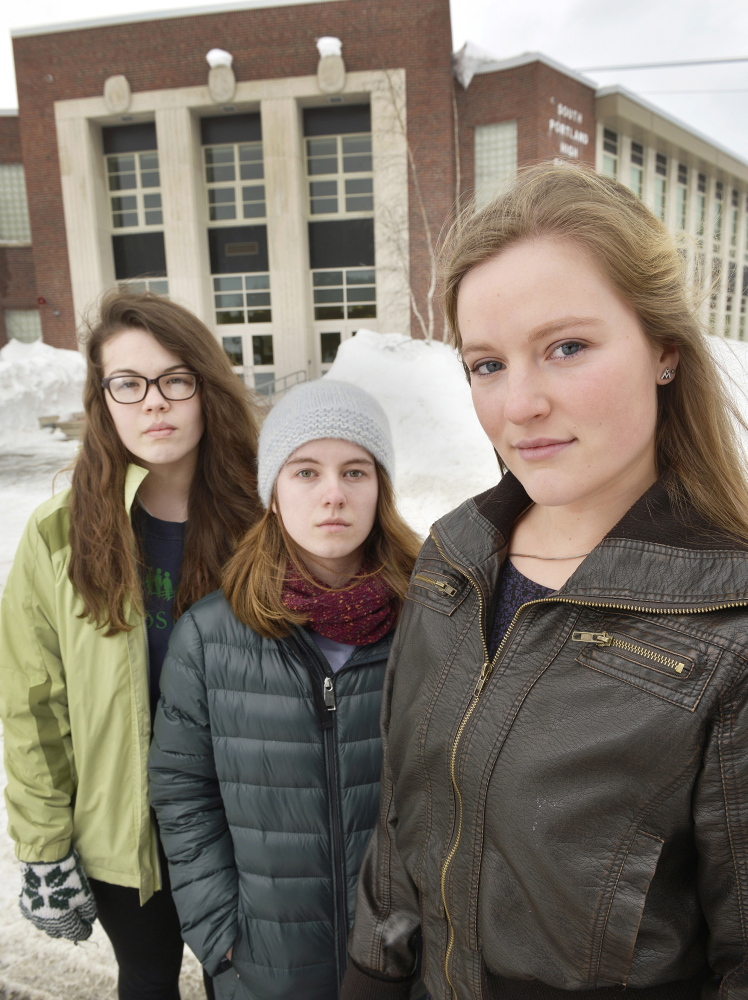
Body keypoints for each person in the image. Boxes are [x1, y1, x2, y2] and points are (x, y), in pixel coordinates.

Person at [340, 162, 748, 1000]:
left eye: (566, 347)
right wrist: (371, 974)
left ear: (663, 348)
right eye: (486, 364)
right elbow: (402, 824)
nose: (518, 405)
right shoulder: (455, 556)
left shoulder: (728, 625)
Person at [0, 291, 261, 1000]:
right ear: (103, 398)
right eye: (129, 383)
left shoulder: (267, 516)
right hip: (122, 829)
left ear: (207, 388)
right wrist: (45, 847)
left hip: (245, 826)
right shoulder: (59, 536)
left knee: (241, 981)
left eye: (177, 379)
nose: (155, 403)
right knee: (146, 979)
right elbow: (31, 706)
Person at [148, 379, 423, 1000]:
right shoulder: (210, 636)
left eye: (355, 471)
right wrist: (220, 931)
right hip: (260, 965)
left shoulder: (431, 621)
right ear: (272, 493)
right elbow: (181, 793)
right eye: (305, 472)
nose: (333, 494)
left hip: (405, 967)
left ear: (381, 491)